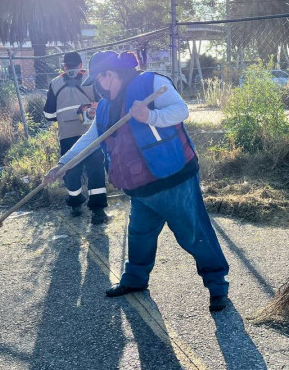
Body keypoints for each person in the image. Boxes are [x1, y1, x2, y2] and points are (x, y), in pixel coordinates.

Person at [44, 51, 230, 312]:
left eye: (98, 81)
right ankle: (135, 279)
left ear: (110, 75)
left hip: (173, 180)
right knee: (139, 235)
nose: (97, 87)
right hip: (140, 187)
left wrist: (150, 117)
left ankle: (217, 286)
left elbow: (181, 110)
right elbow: (92, 137)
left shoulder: (150, 83)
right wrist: (64, 164)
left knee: (194, 234)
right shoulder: (107, 106)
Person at [43, 52, 108, 224]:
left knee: (70, 169)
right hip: (92, 133)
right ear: (80, 65)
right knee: (96, 169)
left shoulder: (55, 83)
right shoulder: (91, 78)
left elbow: (48, 114)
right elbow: (104, 104)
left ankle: (75, 204)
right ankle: (98, 212)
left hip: (67, 134)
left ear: (64, 66)